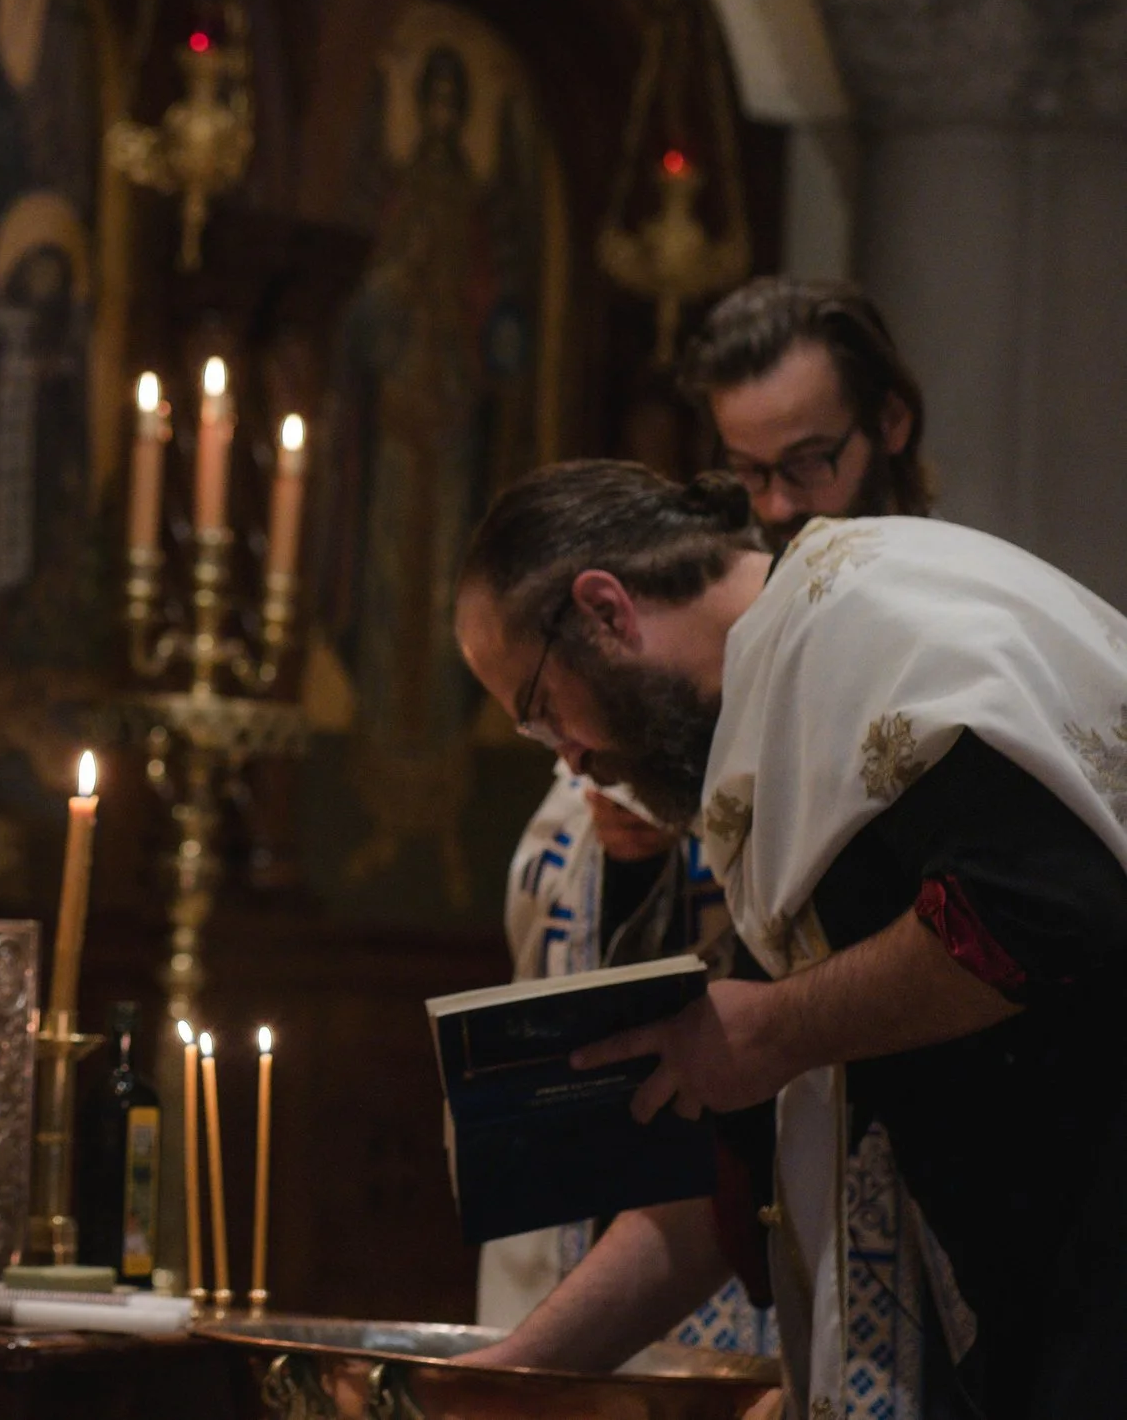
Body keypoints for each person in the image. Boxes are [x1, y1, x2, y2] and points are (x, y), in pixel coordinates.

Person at [453, 460, 1127, 1418]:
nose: (571, 758)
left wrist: (772, 1030)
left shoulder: (868, 629)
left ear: (605, 609)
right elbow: (726, 1168)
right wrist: (512, 1378)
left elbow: (1042, 911)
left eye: (543, 710)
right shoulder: (785, 706)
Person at [479, 278, 935, 1347]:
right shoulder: (691, 671)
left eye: (805, 464)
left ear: (889, 427)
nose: (776, 505)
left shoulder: (932, 629)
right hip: (726, 1229)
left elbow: (1014, 917)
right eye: (744, 469)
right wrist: (636, 846)